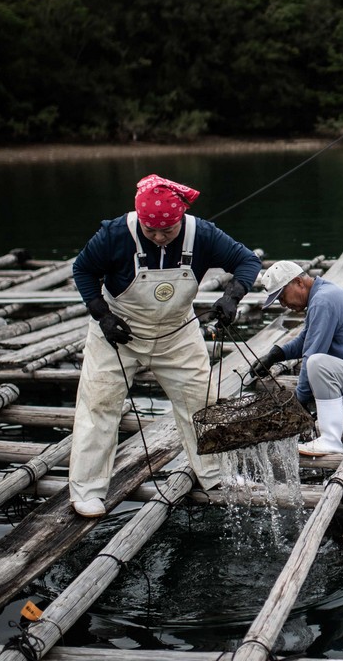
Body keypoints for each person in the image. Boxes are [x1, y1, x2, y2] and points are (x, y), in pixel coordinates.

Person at [70, 174, 262, 517]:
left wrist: (233, 295)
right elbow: (83, 270)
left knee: (201, 402)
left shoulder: (201, 232)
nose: (159, 238)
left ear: (179, 221)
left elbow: (248, 261)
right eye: (151, 231)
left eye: (167, 231)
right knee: (99, 406)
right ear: (139, 219)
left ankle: (216, 475)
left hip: (177, 331)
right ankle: (87, 490)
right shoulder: (114, 234)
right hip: (119, 330)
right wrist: (101, 314)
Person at [250, 260, 343, 456]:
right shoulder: (322, 294)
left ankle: (330, 440)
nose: (283, 304)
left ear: (298, 282)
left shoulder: (323, 300)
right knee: (319, 361)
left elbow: (312, 353)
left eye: (282, 296)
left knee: (317, 363)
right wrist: (276, 355)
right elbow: (306, 339)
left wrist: (300, 401)